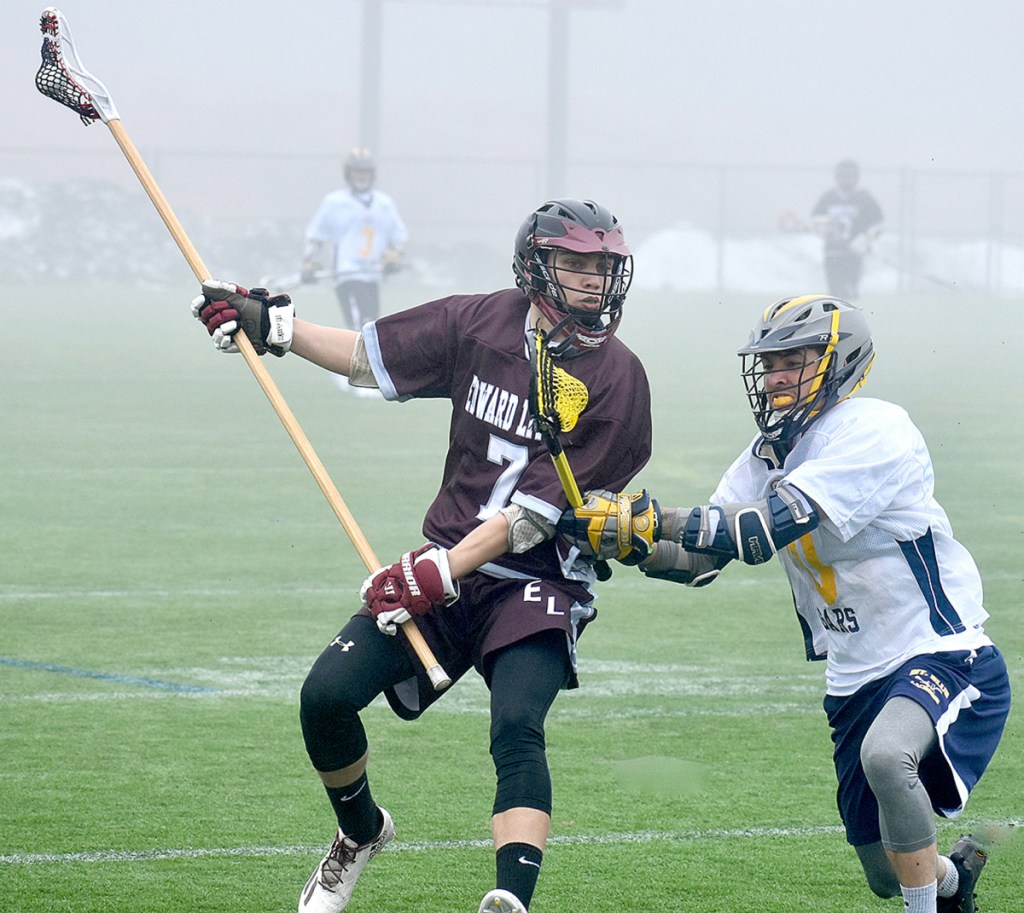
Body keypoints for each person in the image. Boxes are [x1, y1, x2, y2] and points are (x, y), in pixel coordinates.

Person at [191, 198, 655, 913]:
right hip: (444, 569)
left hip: (537, 580)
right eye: (576, 264)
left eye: (602, 267)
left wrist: (432, 570)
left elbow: (534, 517)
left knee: (517, 723)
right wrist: (273, 327)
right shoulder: (480, 321)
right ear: (536, 266)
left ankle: (510, 897)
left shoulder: (620, 378)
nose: (594, 282)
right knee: (326, 697)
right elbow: (364, 357)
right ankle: (360, 831)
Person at [559, 295, 1011, 913]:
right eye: (768, 364)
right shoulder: (763, 455)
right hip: (854, 676)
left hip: (940, 650)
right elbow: (700, 563)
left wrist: (654, 517)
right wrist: (625, 542)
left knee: (888, 755)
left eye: (791, 361)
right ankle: (953, 882)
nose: (772, 377)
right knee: (885, 872)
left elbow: (757, 531)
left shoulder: (875, 428)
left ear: (840, 362)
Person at [302, 147, 409, 333]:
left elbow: (397, 236)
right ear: (348, 174)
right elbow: (315, 236)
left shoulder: (384, 204)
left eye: (366, 172)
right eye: (357, 172)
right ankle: (356, 361)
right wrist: (309, 262)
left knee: (371, 325)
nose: (362, 177)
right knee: (360, 327)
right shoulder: (334, 203)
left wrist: (395, 255)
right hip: (347, 274)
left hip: (373, 274)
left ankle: (363, 361)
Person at [811, 159, 884, 298]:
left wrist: (864, 240)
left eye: (850, 176)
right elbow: (816, 219)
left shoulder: (865, 198)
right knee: (835, 293)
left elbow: (878, 223)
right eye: (842, 176)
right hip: (832, 253)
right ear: (836, 177)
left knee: (851, 293)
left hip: (853, 254)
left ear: (857, 178)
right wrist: (829, 235)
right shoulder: (828, 198)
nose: (846, 179)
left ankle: (851, 319)